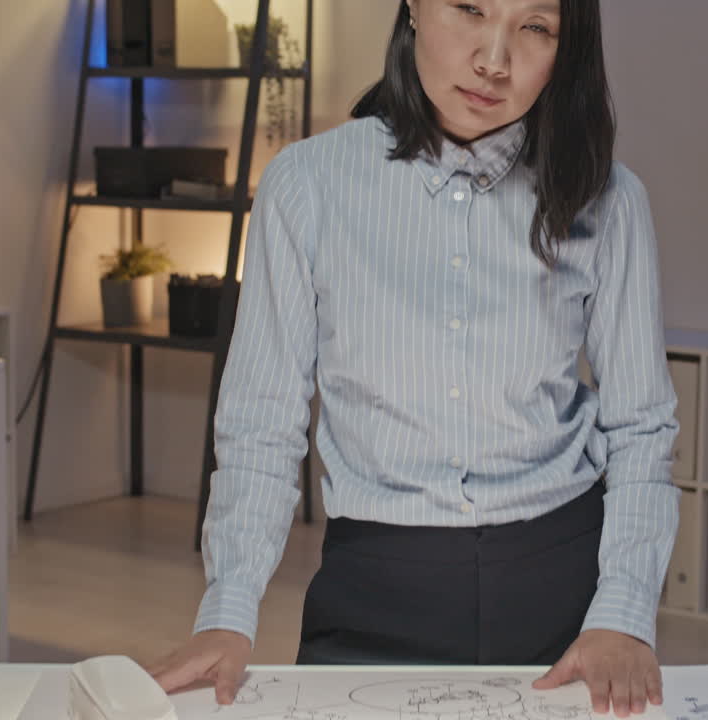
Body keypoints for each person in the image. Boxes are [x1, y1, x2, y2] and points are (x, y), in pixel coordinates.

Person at [149, 1, 679, 716]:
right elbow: (262, 421)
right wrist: (229, 607)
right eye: (469, 8)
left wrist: (622, 612)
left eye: (536, 28)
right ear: (413, 6)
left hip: (563, 592)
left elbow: (642, 428)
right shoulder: (307, 185)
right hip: (374, 590)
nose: (495, 59)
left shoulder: (610, 199)